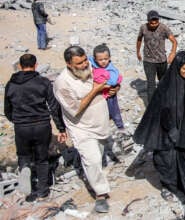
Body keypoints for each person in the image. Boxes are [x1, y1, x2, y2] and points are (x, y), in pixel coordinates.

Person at [133, 51, 185, 207]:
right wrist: (172, 130)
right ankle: (171, 188)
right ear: (177, 67)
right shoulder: (166, 86)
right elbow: (161, 111)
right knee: (167, 162)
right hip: (167, 132)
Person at [54, 46, 115, 213]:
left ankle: (90, 171)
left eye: (84, 61)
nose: (83, 65)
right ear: (68, 64)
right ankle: (101, 194)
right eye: (78, 63)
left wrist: (111, 90)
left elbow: (105, 84)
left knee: (98, 154)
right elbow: (75, 109)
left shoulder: (91, 69)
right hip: (81, 128)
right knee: (93, 159)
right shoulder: (62, 83)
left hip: (100, 124)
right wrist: (95, 89)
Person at [4, 54, 67, 202]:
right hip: (41, 125)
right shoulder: (43, 82)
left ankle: (26, 174)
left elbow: (7, 109)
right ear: (36, 65)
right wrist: (61, 128)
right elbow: (53, 107)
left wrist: (16, 120)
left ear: (20, 66)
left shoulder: (11, 84)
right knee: (42, 159)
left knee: (24, 155)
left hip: (21, 126)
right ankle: (43, 191)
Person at [136, 10, 177, 102]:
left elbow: (174, 41)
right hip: (148, 61)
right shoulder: (143, 28)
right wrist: (138, 51)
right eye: (152, 23)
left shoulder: (163, 28)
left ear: (158, 20)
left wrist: (172, 53)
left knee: (163, 82)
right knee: (151, 84)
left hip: (162, 60)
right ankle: (151, 108)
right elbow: (139, 39)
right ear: (148, 21)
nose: (154, 24)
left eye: (156, 22)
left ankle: (164, 102)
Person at [89, 44, 124, 129]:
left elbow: (113, 81)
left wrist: (104, 81)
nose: (103, 61)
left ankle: (120, 126)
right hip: (98, 94)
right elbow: (88, 58)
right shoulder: (92, 63)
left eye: (106, 59)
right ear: (95, 59)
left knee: (114, 110)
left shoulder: (111, 69)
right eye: (100, 59)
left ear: (109, 58)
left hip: (109, 94)